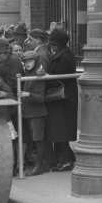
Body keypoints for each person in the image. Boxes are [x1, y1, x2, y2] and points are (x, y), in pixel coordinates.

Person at [42, 29, 79, 172]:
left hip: (62, 98)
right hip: (63, 98)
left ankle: (66, 161)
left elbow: (59, 78)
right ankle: (66, 158)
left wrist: (46, 77)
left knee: (59, 131)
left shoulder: (63, 56)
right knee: (59, 131)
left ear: (56, 44)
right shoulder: (64, 54)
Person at [19, 51, 47, 176]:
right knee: (35, 140)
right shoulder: (28, 73)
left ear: (36, 61)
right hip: (29, 113)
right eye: (25, 61)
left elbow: (40, 98)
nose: (27, 63)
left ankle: (39, 166)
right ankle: (40, 164)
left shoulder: (37, 76)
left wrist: (27, 94)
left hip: (37, 113)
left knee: (38, 140)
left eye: (30, 60)